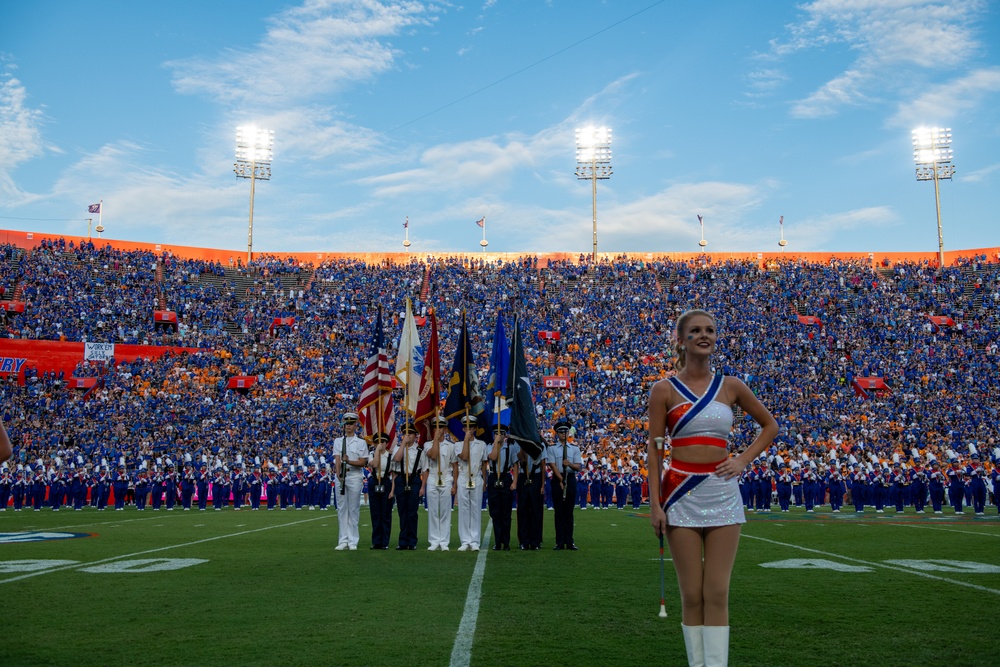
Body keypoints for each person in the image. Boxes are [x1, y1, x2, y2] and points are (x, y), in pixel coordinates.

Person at [647, 309, 777, 667]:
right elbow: (654, 451)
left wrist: (742, 460)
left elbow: (770, 425)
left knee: (717, 590)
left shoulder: (731, 385)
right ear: (681, 339)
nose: (704, 335)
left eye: (710, 330)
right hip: (680, 493)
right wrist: (656, 505)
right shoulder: (663, 389)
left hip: (722, 490)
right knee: (691, 593)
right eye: (695, 331)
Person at [334, 412, 369, 551]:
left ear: (355, 425)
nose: (348, 426)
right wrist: (338, 473)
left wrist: (348, 461)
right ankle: (343, 539)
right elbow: (337, 458)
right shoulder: (338, 441)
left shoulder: (360, 442)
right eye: (346, 424)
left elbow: (363, 462)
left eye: (351, 424)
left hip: (354, 476)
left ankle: (353, 540)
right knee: (342, 509)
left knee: (353, 509)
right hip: (342, 476)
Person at [456, 415, 488, 552]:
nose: (469, 429)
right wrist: (466, 441)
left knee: (475, 509)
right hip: (463, 477)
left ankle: (474, 540)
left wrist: (485, 481)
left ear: (475, 429)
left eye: (472, 427)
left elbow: (484, 464)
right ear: (463, 429)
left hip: (476, 478)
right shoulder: (457, 444)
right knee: (464, 509)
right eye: (466, 427)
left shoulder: (482, 444)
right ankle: (465, 540)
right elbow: (464, 456)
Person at [547, 419, 581, 550]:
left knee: (569, 511)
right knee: (559, 511)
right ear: (557, 433)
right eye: (561, 432)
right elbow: (552, 465)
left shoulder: (574, 449)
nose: (563, 434)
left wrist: (570, 464)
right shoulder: (552, 448)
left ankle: (569, 541)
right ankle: (559, 541)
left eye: (565, 431)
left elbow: (578, 467)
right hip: (558, 479)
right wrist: (561, 480)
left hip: (571, 478)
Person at [425, 415, 458, 551]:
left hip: (446, 477)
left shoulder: (451, 446)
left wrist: (455, 485)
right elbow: (433, 455)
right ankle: (434, 541)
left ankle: (444, 541)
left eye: (441, 427)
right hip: (433, 477)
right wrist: (436, 441)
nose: (438, 429)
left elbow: (455, 466)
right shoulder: (428, 444)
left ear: (445, 429)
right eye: (436, 427)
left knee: (445, 511)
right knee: (433, 511)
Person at [391, 422, 425, 550]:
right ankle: (403, 540)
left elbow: (424, 470)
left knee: (412, 511)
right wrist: (403, 444)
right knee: (402, 511)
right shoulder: (398, 448)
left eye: (409, 433)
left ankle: (412, 541)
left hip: (414, 478)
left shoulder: (419, 450)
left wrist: (423, 487)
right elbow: (397, 459)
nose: (407, 436)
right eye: (404, 433)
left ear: (415, 435)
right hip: (401, 478)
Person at [487, 426, 519, 551]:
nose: (499, 436)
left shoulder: (510, 448)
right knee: (495, 512)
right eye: (496, 434)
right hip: (493, 477)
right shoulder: (489, 446)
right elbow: (493, 457)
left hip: (505, 477)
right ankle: (497, 542)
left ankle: (506, 542)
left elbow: (515, 465)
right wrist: (496, 442)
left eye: (501, 434)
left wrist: (514, 482)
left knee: (506, 513)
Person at [367, 432, 393, 550]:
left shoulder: (390, 456)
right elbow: (374, 464)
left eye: (382, 442)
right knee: (375, 513)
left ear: (387, 443)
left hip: (385, 482)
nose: (380, 444)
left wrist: (392, 491)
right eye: (377, 442)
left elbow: (395, 475)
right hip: (374, 481)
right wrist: (377, 451)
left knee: (385, 513)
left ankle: (385, 541)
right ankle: (376, 541)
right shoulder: (371, 454)